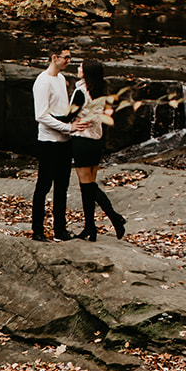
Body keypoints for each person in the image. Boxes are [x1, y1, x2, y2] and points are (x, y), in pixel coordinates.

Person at [59, 57, 126, 242]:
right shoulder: (99, 92)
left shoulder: (80, 92)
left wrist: (48, 116)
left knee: (87, 185)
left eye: (81, 66)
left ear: (87, 72)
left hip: (82, 142)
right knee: (87, 186)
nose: (78, 68)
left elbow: (67, 117)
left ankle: (115, 217)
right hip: (96, 142)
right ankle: (90, 227)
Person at [31, 45, 76, 241]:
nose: (69, 61)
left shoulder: (61, 79)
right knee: (43, 186)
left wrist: (72, 124)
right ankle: (38, 230)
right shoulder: (42, 82)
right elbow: (41, 115)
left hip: (65, 142)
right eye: (66, 58)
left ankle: (60, 230)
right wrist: (68, 128)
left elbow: (62, 110)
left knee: (62, 187)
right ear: (54, 57)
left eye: (70, 58)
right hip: (49, 141)